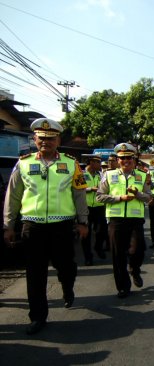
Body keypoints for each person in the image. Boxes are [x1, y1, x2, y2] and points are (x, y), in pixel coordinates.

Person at [3, 118, 89, 335]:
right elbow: (12, 196)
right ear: (34, 139)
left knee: (66, 266)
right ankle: (38, 317)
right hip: (32, 226)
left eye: (50, 138)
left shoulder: (72, 164)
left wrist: (83, 221)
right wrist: (8, 225)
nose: (46, 142)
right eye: (42, 138)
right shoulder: (23, 163)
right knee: (35, 273)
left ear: (58, 140)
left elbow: (79, 195)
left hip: (62, 226)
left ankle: (67, 287)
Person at [96, 143, 151, 298]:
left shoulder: (142, 175)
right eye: (122, 158)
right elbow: (99, 196)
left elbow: (149, 197)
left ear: (134, 159)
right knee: (118, 255)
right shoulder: (108, 175)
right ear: (117, 160)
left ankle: (134, 269)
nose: (125, 161)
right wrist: (120, 198)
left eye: (129, 158)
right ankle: (123, 287)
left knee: (138, 250)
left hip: (135, 220)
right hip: (116, 220)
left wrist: (137, 194)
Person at [81, 154, 107, 265]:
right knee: (86, 233)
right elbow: (78, 188)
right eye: (98, 162)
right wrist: (90, 189)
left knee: (102, 230)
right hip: (85, 207)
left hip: (99, 206)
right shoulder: (81, 174)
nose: (100, 165)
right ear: (91, 162)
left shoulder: (100, 175)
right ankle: (88, 257)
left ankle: (98, 247)